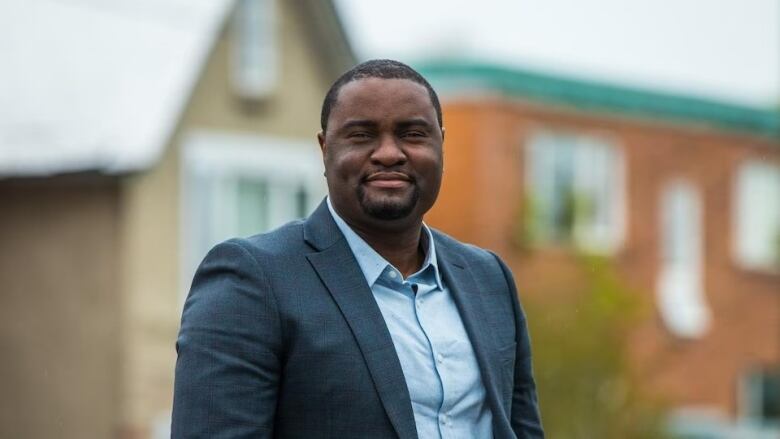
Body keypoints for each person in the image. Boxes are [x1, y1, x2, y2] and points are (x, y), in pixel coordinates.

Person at [172, 59, 543, 438]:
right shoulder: (251, 281)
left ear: (441, 146)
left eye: (412, 134)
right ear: (325, 148)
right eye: (362, 135)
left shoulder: (488, 278)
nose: (388, 153)